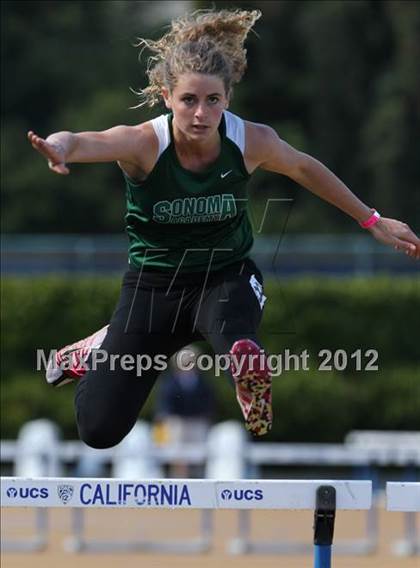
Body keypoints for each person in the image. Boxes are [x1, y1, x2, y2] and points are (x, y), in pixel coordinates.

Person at [28, 9, 420, 448]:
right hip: (154, 288)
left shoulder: (251, 140)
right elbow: (82, 140)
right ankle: (100, 346)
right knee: (99, 431)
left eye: (212, 100)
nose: (201, 113)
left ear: (228, 98)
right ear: (166, 97)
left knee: (237, 339)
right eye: (188, 100)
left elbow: (305, 168)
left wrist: (372, 220)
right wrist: (57, 149)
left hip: (225, 276)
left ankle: (244, 369)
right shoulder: (143, 143)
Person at [153, 345, 215, 477]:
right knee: (177, 454)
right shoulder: (170, 382)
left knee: (198, 455)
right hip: (176, 422)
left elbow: (208, 401)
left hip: (197, 422)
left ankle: (199, 479)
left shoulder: (202, 381)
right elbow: (164, 402)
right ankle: (179, 478)